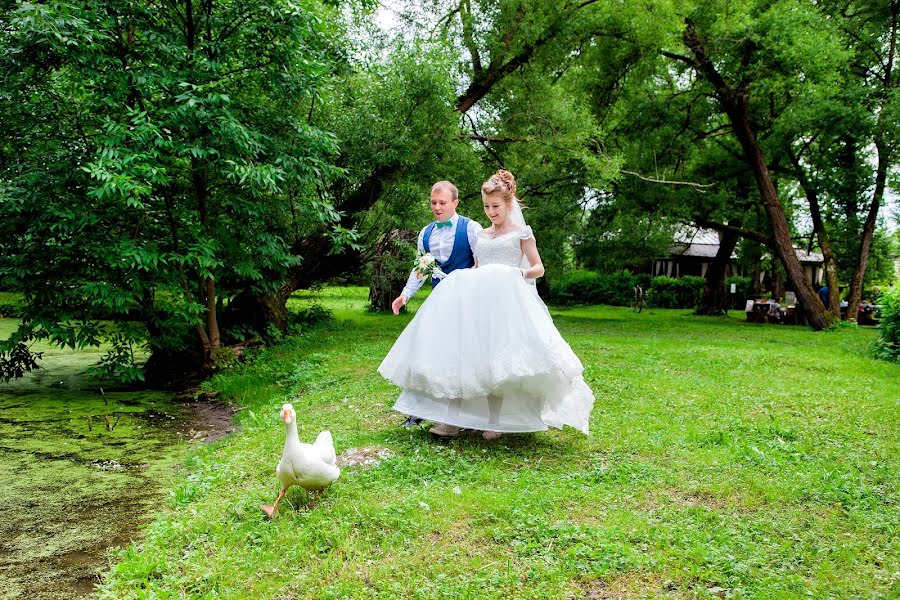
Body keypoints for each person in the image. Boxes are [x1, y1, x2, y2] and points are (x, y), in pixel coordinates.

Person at [379, 170, 595, 439]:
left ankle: (495, 421)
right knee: (465, 356)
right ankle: (452, 420)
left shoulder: (522, 233)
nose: (491, 212)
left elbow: (538, 268)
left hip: (507, 301)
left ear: (509, 204)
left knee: (498, 360)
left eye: (496, 207)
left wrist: (518, 273)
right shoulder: (481, 234)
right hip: (478, 301)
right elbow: (478, 267)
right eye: (486, 207)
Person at [390, 181, 482, 426]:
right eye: (433, 202)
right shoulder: (425, 233)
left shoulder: (471, 228)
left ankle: (464, 411)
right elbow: (420, 268)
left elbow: (482, 264)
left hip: (466, 302)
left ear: (455, 203)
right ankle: (418, 409)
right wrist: (405, 294)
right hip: (438, 301)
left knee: (462, 356)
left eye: (442, 202)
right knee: (426, 351)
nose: (437, 207)